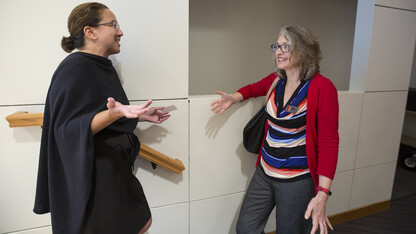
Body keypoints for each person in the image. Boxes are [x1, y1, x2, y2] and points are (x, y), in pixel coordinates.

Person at [33, 2, 170, 234]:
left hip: (114, 170)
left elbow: (99, 112)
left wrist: (139, 115)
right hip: (95, 176)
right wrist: (113, 113)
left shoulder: (100, 65)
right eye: (113, 25)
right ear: (90, 31)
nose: (120, 31)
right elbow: (66, 130)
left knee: (141, 222)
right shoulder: (73, 68)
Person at [211, 25, 339, 234]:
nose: (278, 52)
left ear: (304, 50)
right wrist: (233, 98)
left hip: (297, 180)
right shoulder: (277, 81)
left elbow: (329, 143)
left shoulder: (323, 88)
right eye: (276, 47)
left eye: (285, 47)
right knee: (246, 228)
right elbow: (254, 88)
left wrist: (323, 192)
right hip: (265, 172)